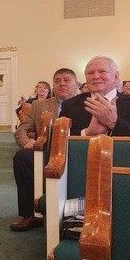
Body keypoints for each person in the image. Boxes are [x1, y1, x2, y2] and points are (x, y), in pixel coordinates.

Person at [11, 68, 79, 232]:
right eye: (57, 81)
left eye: (67, 80)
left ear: (76, 84)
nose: (62, 84)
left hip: (75, 152)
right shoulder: (39, 105)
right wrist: (26, 142)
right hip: (46, 152)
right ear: (53, 86)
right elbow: (22, 130)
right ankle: (30, 215)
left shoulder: (85, 103)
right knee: (22, 157)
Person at [60, 56, 130, 137]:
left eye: (102, 71)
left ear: (116, 76)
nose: (95, 76)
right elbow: (60, 139)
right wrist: (86, 134)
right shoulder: (70, 105)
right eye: (90, 73)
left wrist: (114, 123)